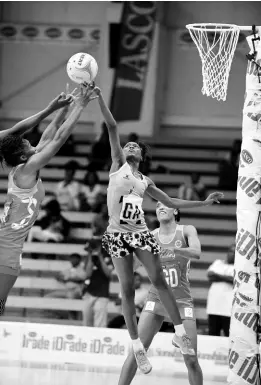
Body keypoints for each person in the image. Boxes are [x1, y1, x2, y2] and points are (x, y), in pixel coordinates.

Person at [93, 84, 223, 374]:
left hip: (139, 233)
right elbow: (112, 125)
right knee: (126, 292)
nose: (129, 146)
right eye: (127, 145)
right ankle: (138, 347)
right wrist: (100, 96)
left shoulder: (145, 180)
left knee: (158, 281)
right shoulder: (117, 165)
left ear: (141, 155)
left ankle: (180, 333)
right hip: (116, 235)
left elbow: (170, 201)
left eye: (135, 146)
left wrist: (203, 203)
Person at [0, 84, 98, 316]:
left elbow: (48, 135)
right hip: (5, 252)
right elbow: (57, 140)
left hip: (7, 248)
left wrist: (63, 108)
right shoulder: (27, 169)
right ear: (24, 155)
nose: (34, 144)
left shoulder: (23, 167)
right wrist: (80, 107)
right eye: (28, 144)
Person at [118, 203, 203, 385]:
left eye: (165, 205)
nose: (160, 207)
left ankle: (179, 337)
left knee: (191, 359)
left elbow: (197, 252)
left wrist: (173, 249)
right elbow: (130, 266)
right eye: (157, 206)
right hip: (156, 299)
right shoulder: (150, 237)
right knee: (136, 353)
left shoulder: (187, 230)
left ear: (175, 210)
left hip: (181, 300)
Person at [82, 238, 114, 327]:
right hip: (88, 292)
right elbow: (87, 274)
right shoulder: (88, 258)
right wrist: (90, 256)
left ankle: (99, 340)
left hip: (102, 294)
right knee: (86, 323)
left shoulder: (110, 258)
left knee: (100, 323)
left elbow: (108, 274)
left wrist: (100, 257)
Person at [206, 244, 235, 337]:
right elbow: (210, 276)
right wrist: (227, 278)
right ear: (227, 252)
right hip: (213, 307)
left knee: (229, 335)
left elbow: (234, 280)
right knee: (213, 335)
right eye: (231, 251)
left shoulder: (239, 268)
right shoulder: (217, 263)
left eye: (236, 252)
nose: (233, 254)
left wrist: (218, 275)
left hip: (228, 309)